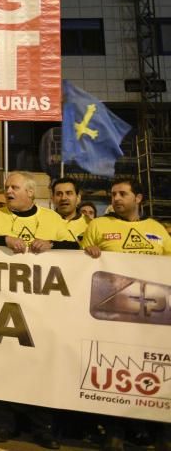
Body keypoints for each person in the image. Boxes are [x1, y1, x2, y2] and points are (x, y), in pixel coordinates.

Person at [0, 171, 69, 447]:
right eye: (6, 187)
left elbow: (75, 248)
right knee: (4, 368)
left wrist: (53, 245)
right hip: (3, 309)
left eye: (14, 187)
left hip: (43, 312)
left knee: (41, 369)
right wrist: (2, 240)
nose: (9, 191)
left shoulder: (52, 220)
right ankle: (3, 425)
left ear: (30, 192)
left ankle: (43, 428)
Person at [83, 178, 171, 450]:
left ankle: (162, 434)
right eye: (113, 194)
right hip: (112, 317)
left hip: (155, 319)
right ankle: (114, 431)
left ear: (139, 198)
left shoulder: (156, 229)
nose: (116, 198)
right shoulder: (98, 226)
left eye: (123, 194)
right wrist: (88, 253)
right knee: (114, 373)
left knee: (157, 374)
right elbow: (78, 264)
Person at [51, 177, 86, 242]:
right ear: (52, 199)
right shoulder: (43, 222)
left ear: (78, 198)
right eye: (59, 194)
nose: (63, 198)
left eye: (69, 193)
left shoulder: (90, 224)